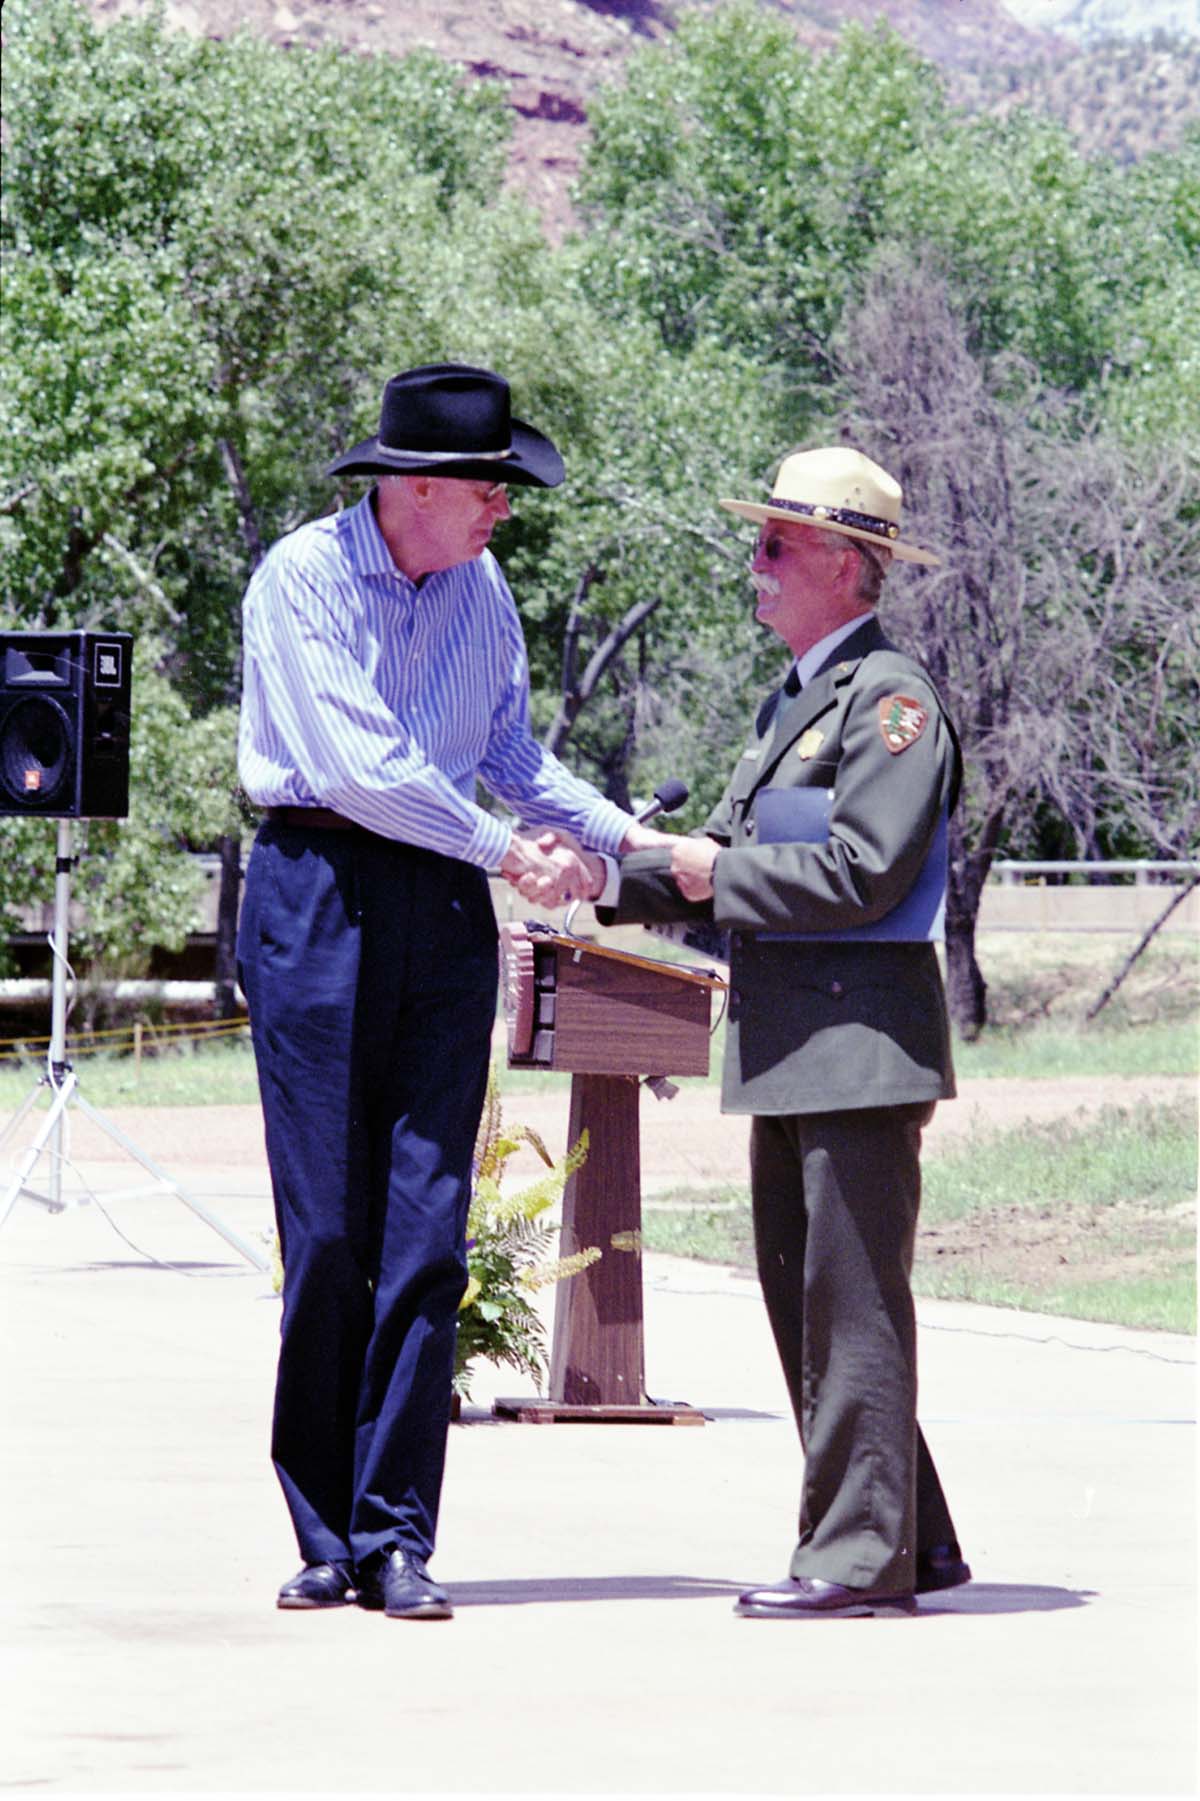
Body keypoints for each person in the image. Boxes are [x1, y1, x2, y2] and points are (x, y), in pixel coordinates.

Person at [236, 362, 662, 1621]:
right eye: (490, 489)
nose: (505, 512)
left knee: (427, 1238)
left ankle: (397, 1534)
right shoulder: (301, 582)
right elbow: (360, 766)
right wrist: (507, 853)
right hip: (320, 888)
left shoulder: (484, 594)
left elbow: (510, 757)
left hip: (440, 913)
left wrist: (618, 843)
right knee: (328, 1234)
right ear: (414, 487)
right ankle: (323, 1528)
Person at [576, 446, 972, 1618]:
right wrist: (598, 871)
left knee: (850, 1308)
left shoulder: (892, 703)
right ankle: (918, 1538)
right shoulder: (796, 702)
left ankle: (857, 1558)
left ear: (847, 567)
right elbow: (711, 871)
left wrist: (717, 867)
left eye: (776, 546)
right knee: (813, 1302)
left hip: (857, 1053)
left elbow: (862, 870)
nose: (753, 566)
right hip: (793, 1052)